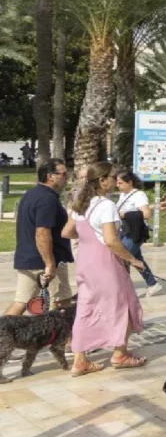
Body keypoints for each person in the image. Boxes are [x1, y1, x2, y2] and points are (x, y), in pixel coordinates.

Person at [62, 162, 147, 375]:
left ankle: (80, 359)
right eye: (112, 177)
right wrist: (133, 259)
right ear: (102, 180)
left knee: (86, 307)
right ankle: (120, 353)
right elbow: (111, 240)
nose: (115, 181)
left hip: (86, 261)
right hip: (106, 263)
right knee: (125, 305)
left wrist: (89, 239)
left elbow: (67, 232)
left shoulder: (81, 203)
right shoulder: (106, 205)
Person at [8, 158, 72, 317]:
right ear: (51, 176)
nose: (66, 177)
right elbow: (42, 232)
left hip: (30, 257)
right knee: (61, 303)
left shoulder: (31, 194)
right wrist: (50, 264)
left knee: (22, 301)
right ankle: (62, 340)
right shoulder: (47, 199)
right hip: (45, 260)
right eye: (63, 174)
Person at [115, 170, 162, 297]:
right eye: (117, 183)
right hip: (124, 231)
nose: (117, 185)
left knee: (123, 257)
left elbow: (146, 214)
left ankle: (123, 289)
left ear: (129, 182)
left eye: (120, 183)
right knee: (136, 259)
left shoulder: (139, 195)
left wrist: (125, 214)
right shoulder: (123, 195)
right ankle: (152, 283)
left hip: (135, 232)